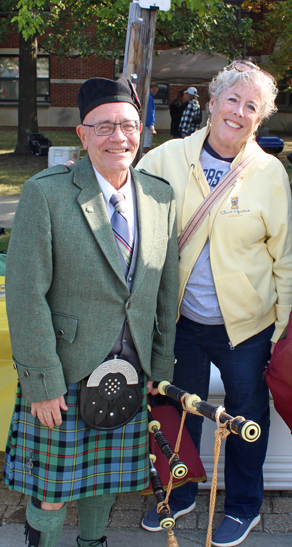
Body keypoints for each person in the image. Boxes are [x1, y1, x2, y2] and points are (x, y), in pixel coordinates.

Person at [3, 77, 178, 547]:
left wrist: (159, 372)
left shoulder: (160, 196)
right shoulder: (48, 193)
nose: (118, 137)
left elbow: (163, 291)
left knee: (108, 482)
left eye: (127, 125)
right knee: (53, 491)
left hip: (132, 368)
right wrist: (41, 382)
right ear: (81, 135)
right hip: (66, 372)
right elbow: (24, 295)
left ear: (143, 129)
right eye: (103, 127)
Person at [138, 60, 292, 547]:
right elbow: (123, 203)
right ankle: (180, 491)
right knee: (177, 411)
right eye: (232, 99)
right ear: (211, 102)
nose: (239, 111)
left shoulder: (269, 173)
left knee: (247, 416)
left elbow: (286, 260)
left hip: (246, 326)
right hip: (181, 321)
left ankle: (244, 505)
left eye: (252, 106)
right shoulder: (166, 158)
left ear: (260, 118)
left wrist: (282, 332)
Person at [143, 82, 159, 154]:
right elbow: (150, 112)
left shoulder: (148, 96)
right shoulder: (149, 97)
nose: (156, 92)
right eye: (155, 90)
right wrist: (151, 126)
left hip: (145, 122)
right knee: (146, 144)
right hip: (147, 124)